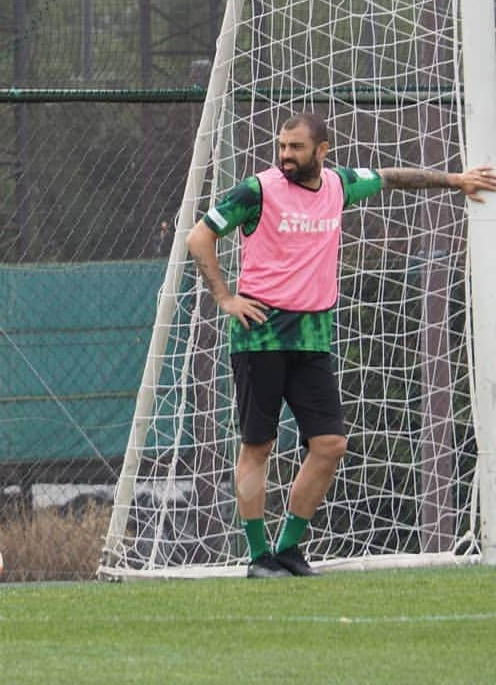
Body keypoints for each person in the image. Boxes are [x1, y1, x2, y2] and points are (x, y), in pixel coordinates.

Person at [186, 112, 496, 578]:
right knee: (258, 447)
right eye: (282, 146)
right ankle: (257, 557)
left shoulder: (338, 184)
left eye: (296, 147)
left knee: (330, 444)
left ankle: (288, 549)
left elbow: (391, 177)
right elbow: (199, 236)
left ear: (321, 150)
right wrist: (226, 298)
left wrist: (455, 179)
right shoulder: (257, 189)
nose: (286, 155)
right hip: (260, 338)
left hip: (313, 340)